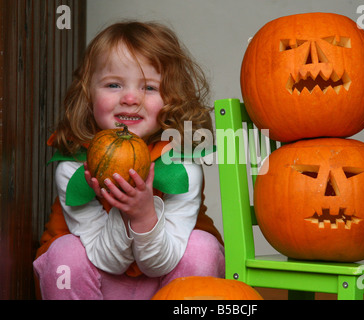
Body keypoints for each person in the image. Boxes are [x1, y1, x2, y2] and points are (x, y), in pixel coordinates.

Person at [33, 21, 225, 300]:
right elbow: (106, 259)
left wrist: (144, 215)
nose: (130, 98)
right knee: (65, 255)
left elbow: (160, 262)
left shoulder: (182, 167)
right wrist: (125, 214)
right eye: (113, 84)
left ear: (172, 98)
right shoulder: (74, 168)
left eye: (148, 88)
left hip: (165, 281)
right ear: (88, 95)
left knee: (201, 247)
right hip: (97, 281)